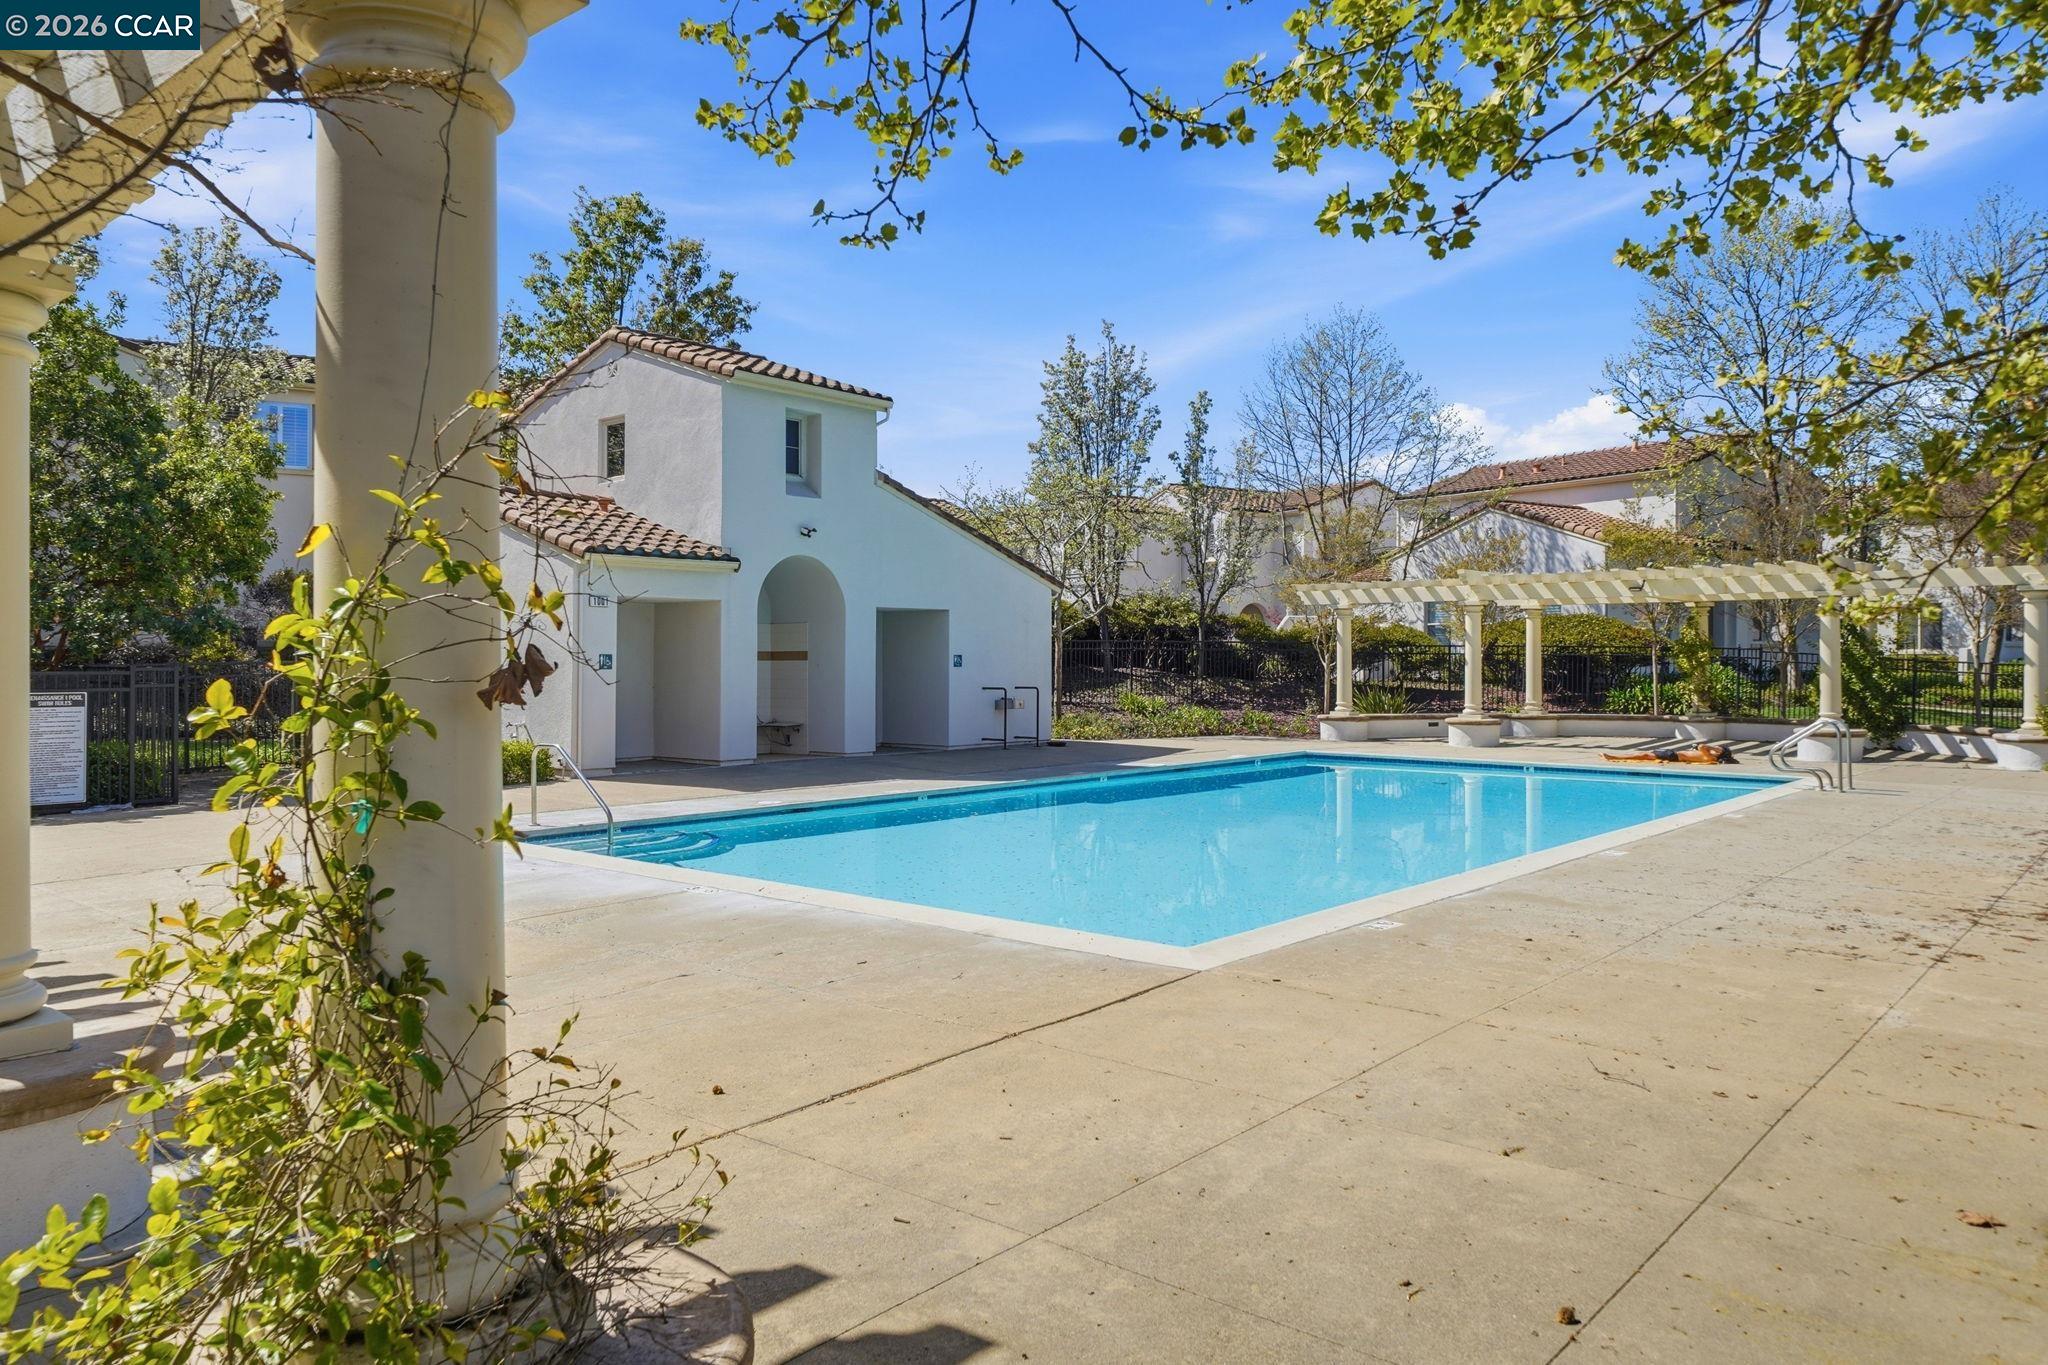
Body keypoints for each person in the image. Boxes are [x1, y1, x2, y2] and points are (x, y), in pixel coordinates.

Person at [1602, 741, 1735, 765]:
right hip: (1673, 754)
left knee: (1644, 755)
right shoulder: (1710, 755)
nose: (1715, 749)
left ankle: (1615, 757)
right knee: (1645, 754)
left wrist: (1715, 748)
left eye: (1719, 749)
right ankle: (1617, 756)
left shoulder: (1711, 757)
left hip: (1673, 756)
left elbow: (1701, 746)